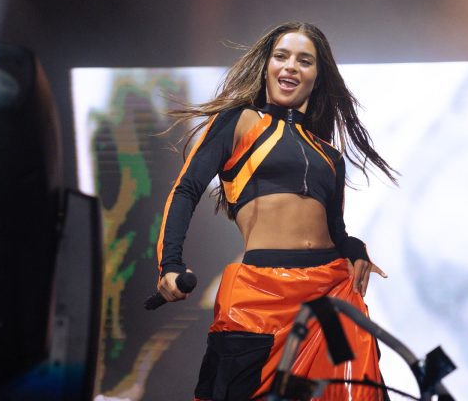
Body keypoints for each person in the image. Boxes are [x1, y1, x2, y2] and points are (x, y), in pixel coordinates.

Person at [154, 21, 398, 401]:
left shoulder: (329, 156)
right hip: (258, 296)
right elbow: (186, 189)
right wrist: (170, 263)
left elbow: (336, 229)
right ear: (266, 66)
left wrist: (353, 247)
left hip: (330, 297)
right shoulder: (239, 121)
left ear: (317, 76)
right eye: (281, 56)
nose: (290, 67)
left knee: (355, 392)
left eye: (304, 61)